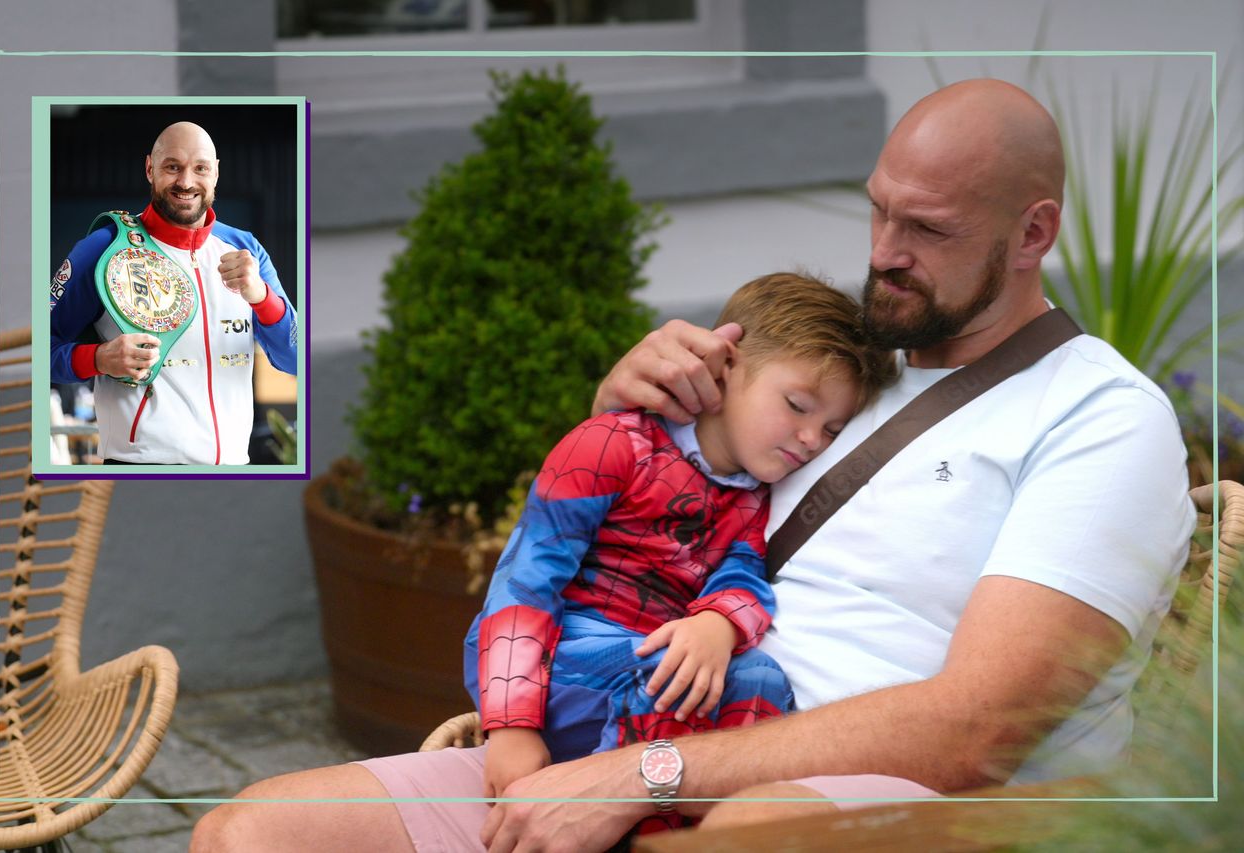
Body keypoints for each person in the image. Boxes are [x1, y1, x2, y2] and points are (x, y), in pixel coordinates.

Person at [190, 78, 1194, 853]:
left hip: (878, 806)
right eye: (878, 210)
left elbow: (976, 728)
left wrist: (648, 775)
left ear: (1033, 232)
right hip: (637, 727)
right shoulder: (834, 376)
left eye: (925, 228)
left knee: (746, 839)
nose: (883, 251)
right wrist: (618, 419)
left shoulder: (1100, 420)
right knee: (252, 832)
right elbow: (617, 527)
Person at [457, 273, 896, 815]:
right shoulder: (613, 444)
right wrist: (511, 726)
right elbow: (527, 579)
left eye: (832, 429)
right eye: (797, 405)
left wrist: (718, 623)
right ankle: (609, 819)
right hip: (556, 662)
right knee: (670, 678)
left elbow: (744, 574)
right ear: (724, 365)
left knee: (759, 677)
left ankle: (714, 828)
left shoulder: (760, 495)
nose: (811, 438)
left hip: (650, 668)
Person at [49, 121, 297, 465]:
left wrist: (261, 296)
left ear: (216, 173)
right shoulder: (103, 247)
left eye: (200, 168)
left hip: (233, 470)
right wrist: (99, 359)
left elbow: (296, 358)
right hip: (138, 467)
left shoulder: (246, 249)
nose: (186, 182)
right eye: (172, 167)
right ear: (150, 168)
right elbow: (40, 352)